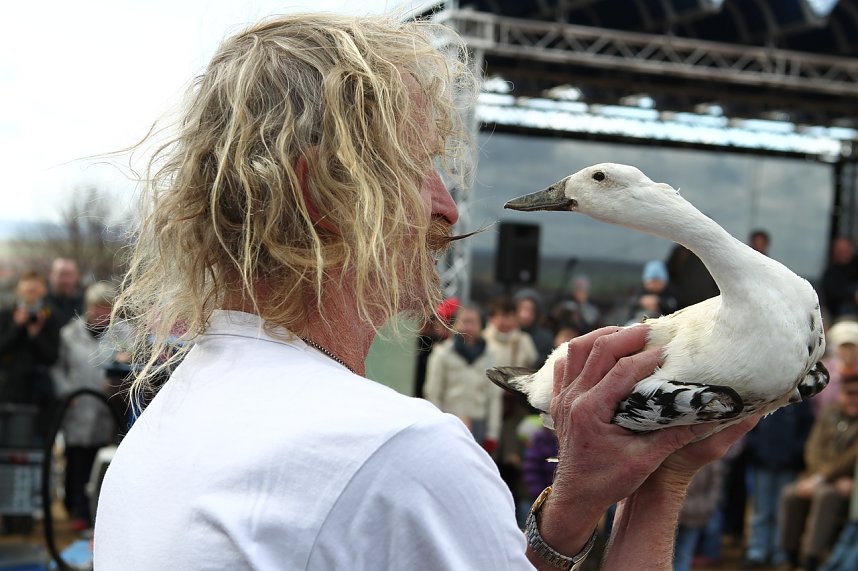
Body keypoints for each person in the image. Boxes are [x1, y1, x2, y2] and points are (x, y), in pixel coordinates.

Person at [93, 12, 757, 570]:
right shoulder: (392, 449)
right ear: (322, 191)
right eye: (419, 166)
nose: (449, 206)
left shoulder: (169, 422)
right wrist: (664, 481)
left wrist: (576, 505)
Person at [51, 282, 130, 532]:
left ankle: (101, 516)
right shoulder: (69, 333)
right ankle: (77, 512)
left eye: (108, 308)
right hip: (77, 407)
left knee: (104, 462)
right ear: (88, 307)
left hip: (109, 408)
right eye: (99, 307)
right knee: (77, 460)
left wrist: (123, 367)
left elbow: (136, 365)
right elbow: (57, 369)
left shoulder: (125, 334)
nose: (103, 314)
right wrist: (67, 393)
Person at [779, 374, 858, 571]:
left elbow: (850, 458)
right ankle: (790, 555)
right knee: (790, 494)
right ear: (841, 394)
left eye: (857, 394)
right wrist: (817, 477)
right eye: (849, 393)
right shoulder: (829, 414)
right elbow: (813, 447)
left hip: (843, 480)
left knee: (825, 497)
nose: (853, 398)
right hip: (818, 477)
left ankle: (811, 559)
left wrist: (822, 479)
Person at [743, 400, 815, 568]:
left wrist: (796, 452)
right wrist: (755, 449)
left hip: (789, 464)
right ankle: (758, 550)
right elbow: (749, 426)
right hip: (763, 462)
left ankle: (780, 551)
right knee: (761, 511)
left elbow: (807, 428)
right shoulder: (765, 395)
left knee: (782, 512)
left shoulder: (801, 401)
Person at [423, 302, 500, 450]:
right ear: (455, 324)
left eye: (473, 322)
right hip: (448, 421)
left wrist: (492, 433)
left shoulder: (490, 356)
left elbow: (494, 398)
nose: (468, 327)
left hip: (478, 423)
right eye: (464, 321)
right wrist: (436, 424)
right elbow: (433, 392)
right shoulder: (442, 353)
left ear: (481, 325)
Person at [0, 270, 61, 440]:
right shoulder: (5, 315)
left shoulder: (50, 317)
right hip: (6, 390)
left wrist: (35, 336)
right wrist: (17, 327)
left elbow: (52, 357)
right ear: (18, 288)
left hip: (37, 396)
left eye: (37, 283)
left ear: (44, 290)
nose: (32, 286)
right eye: (28, 281)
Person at [627, 260, 679, 324]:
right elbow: (631, 304)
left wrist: (659, 301)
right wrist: (641, 301)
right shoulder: (640, 291)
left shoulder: (671, 291)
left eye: (657, 282)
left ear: (664, 282)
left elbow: (673, 305)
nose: (653, 286)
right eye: (651, 282)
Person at [514, 288, 554, 367]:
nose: (526, 315)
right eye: (523, 309)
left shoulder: (545, 340)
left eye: (531, 311)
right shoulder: (506, 334)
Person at [822, 237, 858, 319]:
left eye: (847, 250)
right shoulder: (831, 274)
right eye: (841, 251)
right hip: (842, 317)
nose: (845, 253)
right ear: (835, 252)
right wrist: (853, 295)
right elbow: (833, 295)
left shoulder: (855, 266)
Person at [44, 258, 84, 327]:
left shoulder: (85, 304)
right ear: (51, 275)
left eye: (69, 275)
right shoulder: (41, 301)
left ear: (77, 276)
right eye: (61, 274)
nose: (65, 280)